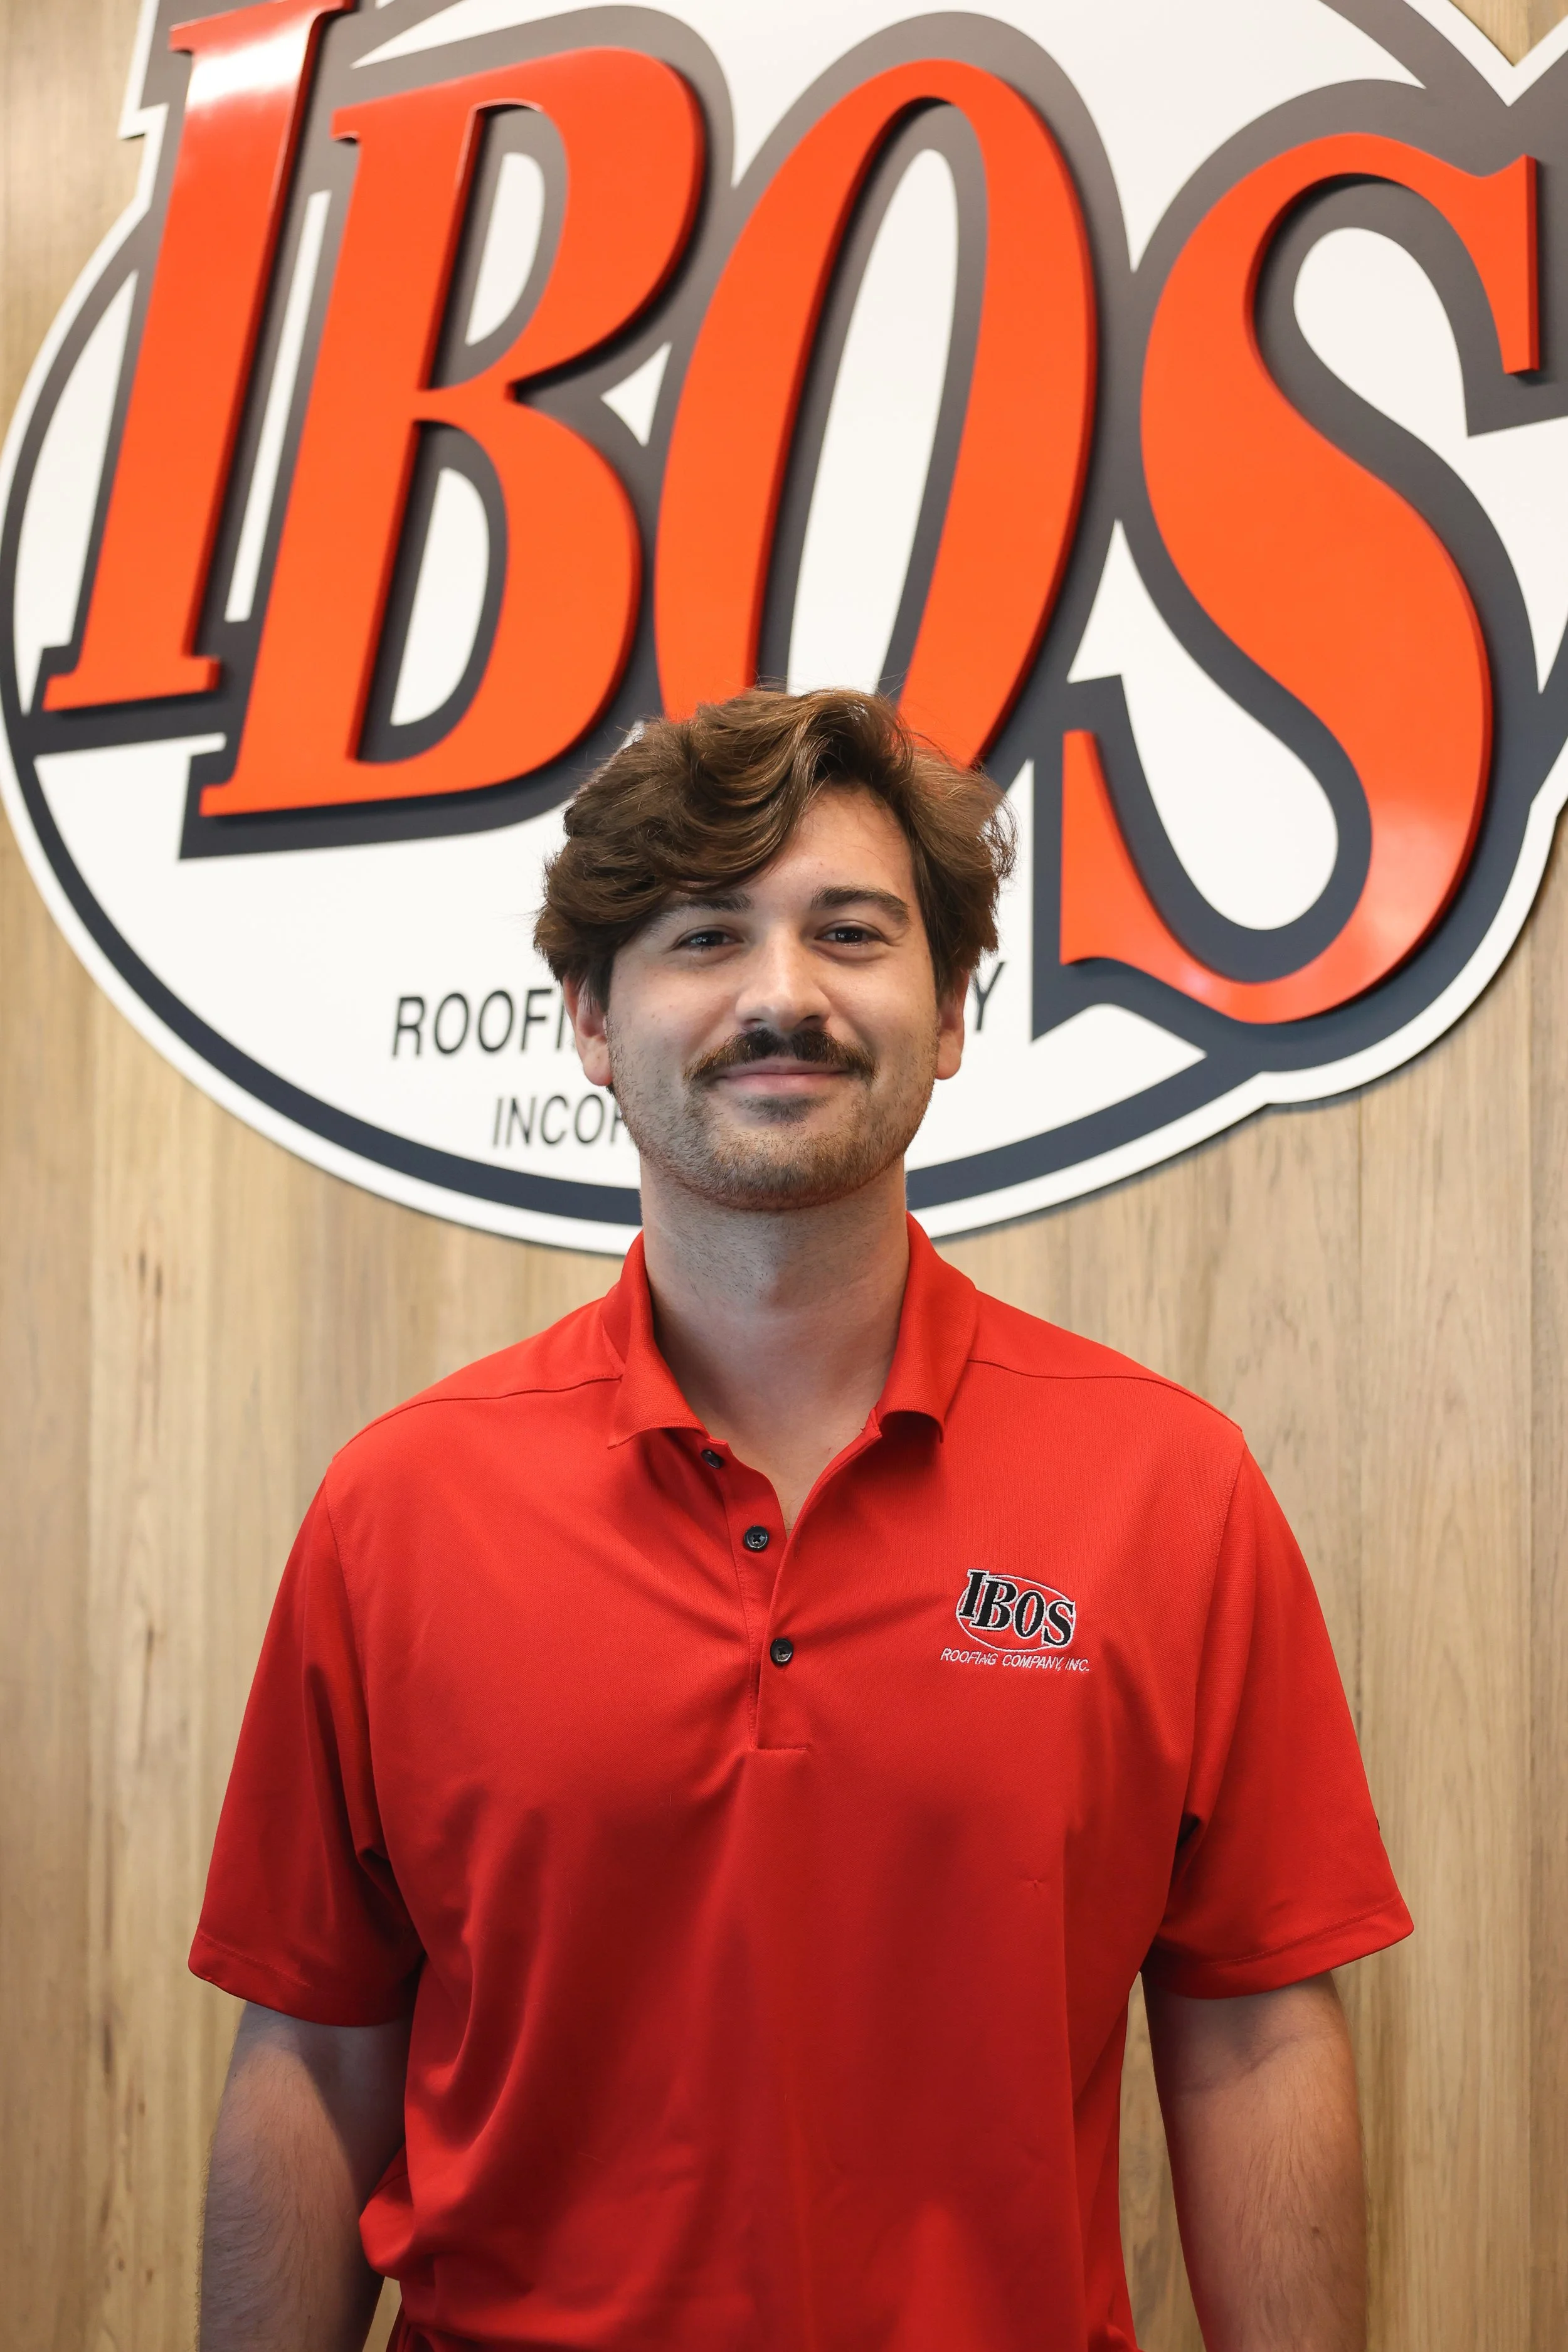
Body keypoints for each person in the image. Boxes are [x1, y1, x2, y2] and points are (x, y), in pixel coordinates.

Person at [192, 687, 1411, 2352]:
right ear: (589, 1019)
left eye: (850, 931)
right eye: (703, 936)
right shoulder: (398, 1506)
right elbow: (319, 2047)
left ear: (953, 1005)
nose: (781, 995)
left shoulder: (1167, 1489)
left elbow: (1252, 2029)